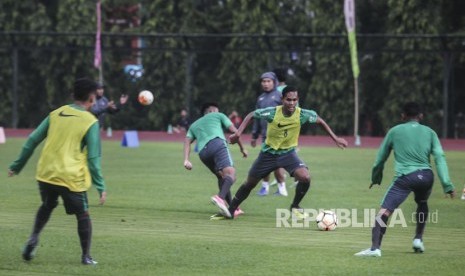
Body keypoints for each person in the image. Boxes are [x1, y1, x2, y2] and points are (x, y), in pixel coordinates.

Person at [8, 78, 107, 265]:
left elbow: (32, 140)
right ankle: (86, 256)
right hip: (70, 177)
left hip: (45, 174)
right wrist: (101, 186)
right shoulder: (90, 121)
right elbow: (94, 159)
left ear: (73, 95)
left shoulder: (56, 113)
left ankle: (33, 238)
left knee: (47, 205)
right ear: (92, 98)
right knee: (83, 214)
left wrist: (17, 166)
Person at [226, 86, 348, 219]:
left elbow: (319, 121)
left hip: (288, 154)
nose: (291, 103)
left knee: (305, 177)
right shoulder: (272, 112)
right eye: (288, 100)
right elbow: (252, 115)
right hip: (268, 155)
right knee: (250, 184)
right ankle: (230, 211)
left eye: (294, 100)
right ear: (282, 99)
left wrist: (335, 138)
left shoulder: (302, 114)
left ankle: (295, 206)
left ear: (297, 100)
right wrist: (238, 133)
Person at [355, 102, 456, 257]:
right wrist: (447, 184)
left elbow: (380, 158)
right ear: (420, 116)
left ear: (403, 116)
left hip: (406, 177)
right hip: (426, 176)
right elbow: (440, 158)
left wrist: (376, 177)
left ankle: (375, 248)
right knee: (422, 202)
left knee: (384, 211)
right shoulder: (430, 132)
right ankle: (418, 239)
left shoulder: (394, 131)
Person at [183, 102, 248, 219]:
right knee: (231, 174)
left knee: (222, 177)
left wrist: (186, 160)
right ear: (212, 110)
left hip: (203, 153)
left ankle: (233, 209)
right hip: (217, 144)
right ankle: (220, 198)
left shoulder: (194, 125)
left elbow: (187, 141)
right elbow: (235, 132)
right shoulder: (218, 115)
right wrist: (242, 148)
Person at [252, 71, 288, 196]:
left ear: (274, 82)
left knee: (275, 163)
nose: (266, 84)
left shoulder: (280, 96)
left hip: (278, 136)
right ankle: (266, 187)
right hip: (265, 136)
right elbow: (257, 117)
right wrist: (254, 135)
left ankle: (281, 188)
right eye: (264, 81)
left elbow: (289, 114)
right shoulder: (260, 98)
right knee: (265, 162)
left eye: (268, 81)